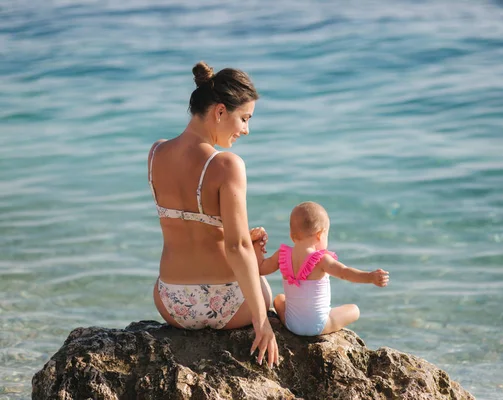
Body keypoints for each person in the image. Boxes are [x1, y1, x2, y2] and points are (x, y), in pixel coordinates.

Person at [148, 61, 278, 368]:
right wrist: (263, 322)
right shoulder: (227, 165)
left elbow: (189, 225)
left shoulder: (155, 153)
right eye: (244, 118)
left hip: (170, 303)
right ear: (220, 112)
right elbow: (237, 248)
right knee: (264, 290)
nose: (246, 130)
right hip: (228, 307)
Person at [255, 201, 390, 336]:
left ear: (292, 235)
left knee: (279, 299)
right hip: (318, 326)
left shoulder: (282, 255)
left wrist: (257, 247)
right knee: (354, 310)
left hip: (291, 325)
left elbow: (261, 268)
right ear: (320, 235)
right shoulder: (321, 259)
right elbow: (345, 273)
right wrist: (370, 277)